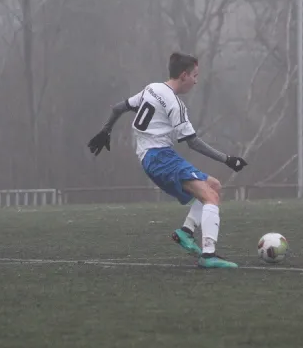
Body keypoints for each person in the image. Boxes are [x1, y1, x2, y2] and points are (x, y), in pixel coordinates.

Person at [88, 52, 247, 268]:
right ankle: (208, 256)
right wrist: (227, 159)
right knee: (210, 197)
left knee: (214, 186)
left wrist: (106, 130)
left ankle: (186, 232)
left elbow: (119, 107)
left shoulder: (151, 88)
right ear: (183, 75)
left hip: (154, 157)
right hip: (160, 158)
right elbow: (193, 142)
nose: (196, 81)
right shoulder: (175, 104)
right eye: (195, 76)